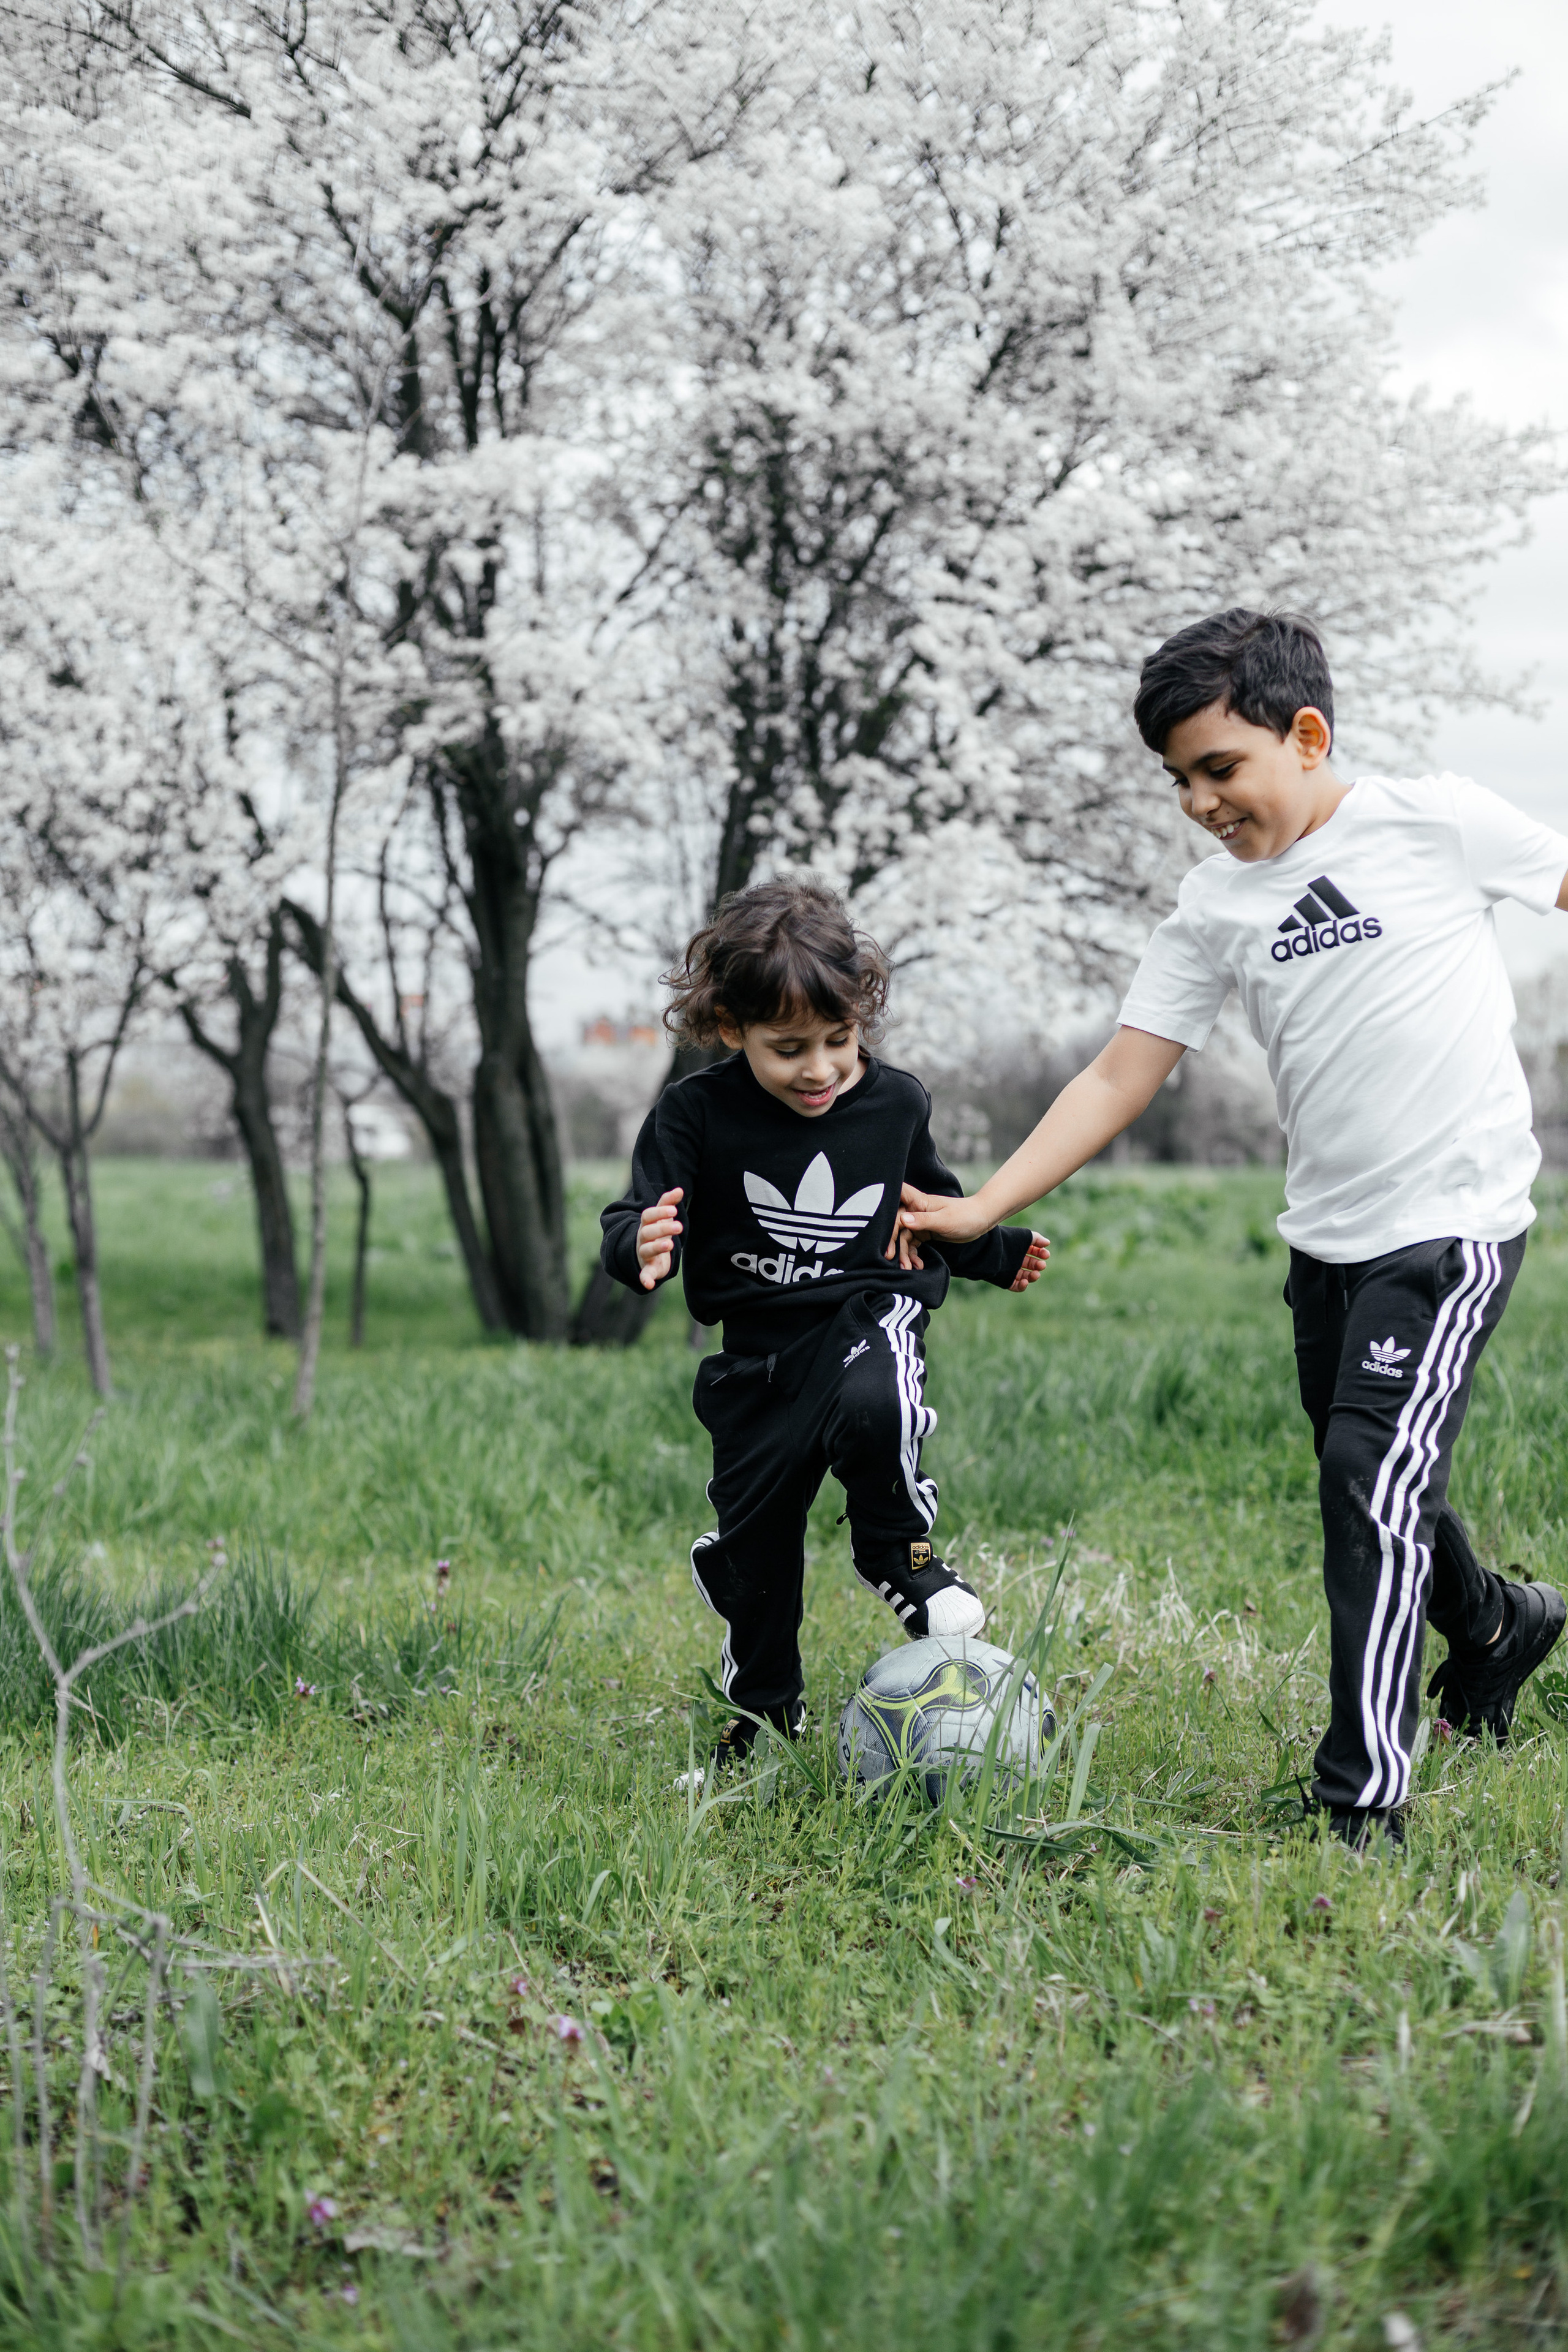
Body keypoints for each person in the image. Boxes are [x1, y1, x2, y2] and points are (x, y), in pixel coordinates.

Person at [894, 608, 1568, 1846]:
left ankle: (1361, 1799)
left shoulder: (1434, 822)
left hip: (1452, 1227)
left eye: (1218, 768)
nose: (1199, 802)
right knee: (1372, 1471)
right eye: (1178, 781)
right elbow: (1120, 1073)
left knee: (1366, 1479)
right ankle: (1492, 1624)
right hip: (1327, 1240)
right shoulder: (1213, 907)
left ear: (1305, 736)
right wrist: (985, 1203)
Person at [599, 877, 1049, 1777]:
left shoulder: (895, 1104)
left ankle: (900, 1555)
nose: (821, 1070)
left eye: (839, 1040)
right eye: (789, 1048)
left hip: (865, 1313)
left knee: (882, 1400)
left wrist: (995, 1253)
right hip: (757, 1363)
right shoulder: (694, 1113)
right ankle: (762, 1718)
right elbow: (633, 1213)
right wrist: (639, 1242)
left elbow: (931, 1205)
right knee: (756, 1562)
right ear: (731, 1028)